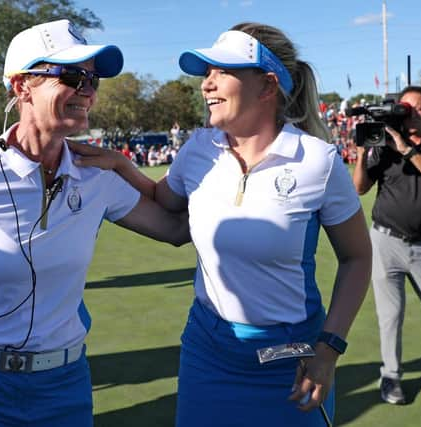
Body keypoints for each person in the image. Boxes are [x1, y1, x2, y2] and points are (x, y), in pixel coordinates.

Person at [71, 22, 372, 426]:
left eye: (220, 72)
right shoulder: (198, 149)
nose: (205, 85)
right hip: (207, 353)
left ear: (267, 86)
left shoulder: (317, 160)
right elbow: (166, 203)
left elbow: (357, 257)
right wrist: (121, 165)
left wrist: (329, 350)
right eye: (205, 74)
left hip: (292, 362)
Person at [0, 19, 189, 427]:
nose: (87, 90)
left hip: (64, 386)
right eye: (71, 76)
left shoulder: (98, 174)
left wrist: (129, 164)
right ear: (21, 86)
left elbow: (177, 230)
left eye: (92, 79)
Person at [352, 85, 421, 405]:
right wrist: (360, 153)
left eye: (416, 108)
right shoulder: (385, 147)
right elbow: (359, 188)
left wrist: (405, 148)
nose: (408, 114)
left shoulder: (405, 146)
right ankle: (391, 377)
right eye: (404, 107)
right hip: (385, 240)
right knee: (390, 315)